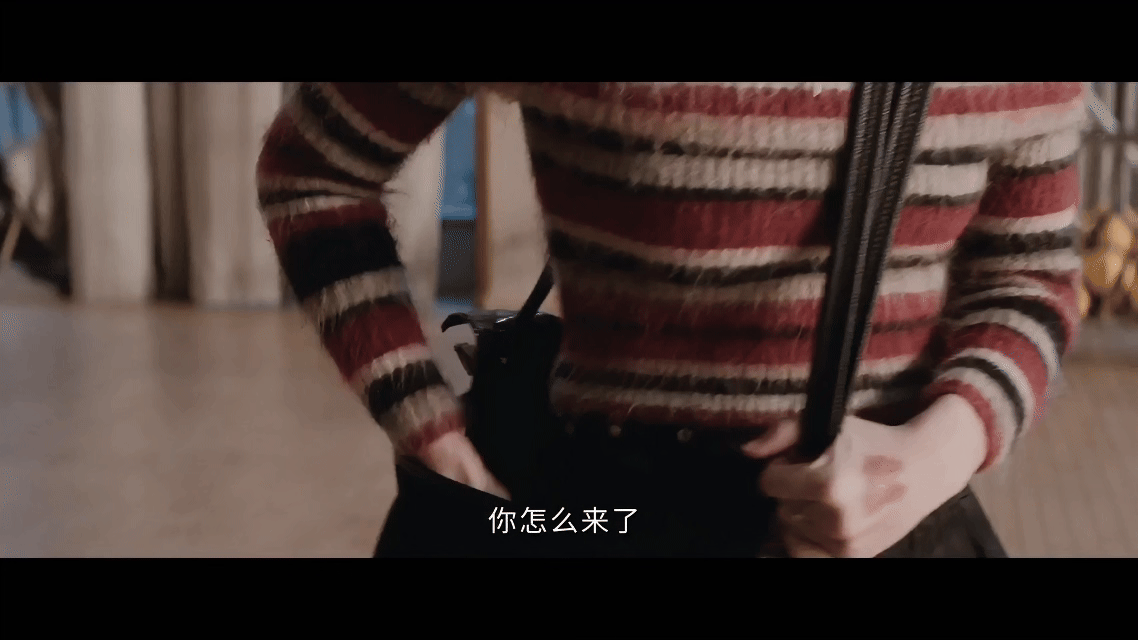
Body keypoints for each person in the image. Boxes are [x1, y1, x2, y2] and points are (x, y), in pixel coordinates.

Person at [256, 83, 1086, 557]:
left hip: (896, 515)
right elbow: (313, 173)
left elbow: (1032, 275)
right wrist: (429, 429)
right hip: (601, 509)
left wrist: (938, 453)